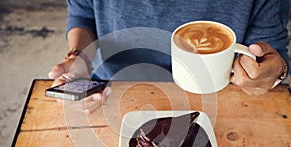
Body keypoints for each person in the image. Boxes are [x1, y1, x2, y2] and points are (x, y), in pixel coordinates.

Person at [48, 0, 289, 113]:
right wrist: (80, 58)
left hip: (223, 100)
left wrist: (273, 72)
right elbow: (83, 14)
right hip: (110, 93)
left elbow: (271, 52)